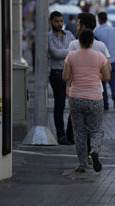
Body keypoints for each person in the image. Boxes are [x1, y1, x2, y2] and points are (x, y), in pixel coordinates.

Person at [63, 29, 110, 173]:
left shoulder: (71, 56)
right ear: (91, 42)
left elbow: (65, 76)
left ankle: (83, 163)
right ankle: (94, 151)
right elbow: (107, 76)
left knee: (79, 132)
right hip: (95, 97)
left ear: (79, 41)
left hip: (76, 97)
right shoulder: (100, 56)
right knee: (95, 130)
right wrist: (97, 75)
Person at [48, 11, 76, 145]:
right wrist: (69, 52)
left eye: (60, 21)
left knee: (74, 104)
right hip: (57, 73)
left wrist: (66, 53)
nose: (59, 24)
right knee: (60, 104)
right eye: (56, 21)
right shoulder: (49, 37)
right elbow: (54, 53)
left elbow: (75, 49)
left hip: (71, 73)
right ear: (50, 22)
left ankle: (70, 134)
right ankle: (61, 135)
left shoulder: (69, 34)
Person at [95, 12, 115, 110]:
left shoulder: (97, 32)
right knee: (113, 81)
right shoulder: (114, 30)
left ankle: (105, 104)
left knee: (103, 83)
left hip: (101, 62)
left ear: (99, 19)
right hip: (112, 60)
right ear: (107, 18)